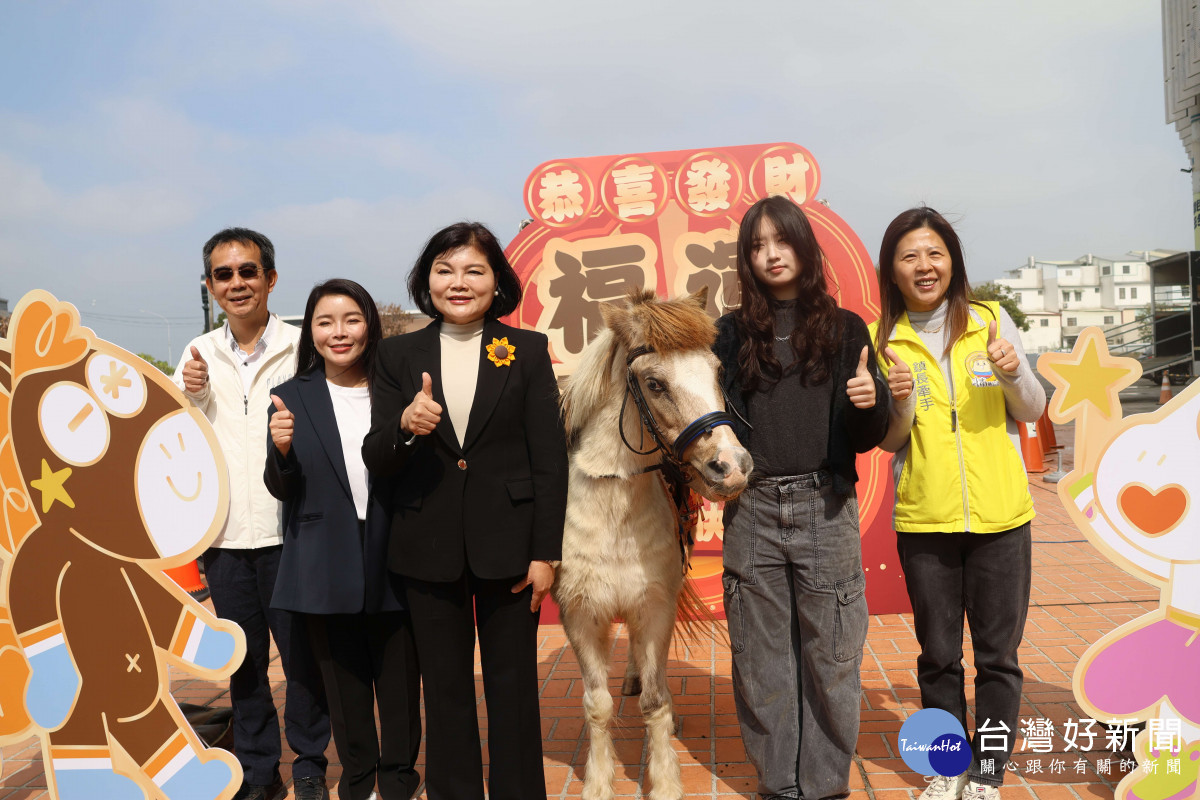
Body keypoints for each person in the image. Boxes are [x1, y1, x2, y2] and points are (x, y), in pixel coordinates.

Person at [362, 221, 568, 800]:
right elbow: (376, 452)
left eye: (474, 270)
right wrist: (405, 427)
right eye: (445, 270)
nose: (459, 283)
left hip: (510, 549)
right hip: (426, 550)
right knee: (445, 692)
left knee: (513, 689)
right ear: (425, 279)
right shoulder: (398, 354)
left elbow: (550, 460)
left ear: (495, 280)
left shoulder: (525, 349)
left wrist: (545, 554)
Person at [714, 196, 889, 800]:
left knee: (833, 657)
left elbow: (865, 436)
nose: (771, 254)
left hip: (826, 505)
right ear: (747, 259)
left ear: (804, 246)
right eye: (757, 246)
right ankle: (779, 787)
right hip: (753, 507)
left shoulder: (844, 330)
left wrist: (872, 401)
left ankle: (823, 786)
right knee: (762, 661)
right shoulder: (729, 334)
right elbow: (716, 429)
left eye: (781, 241)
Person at [870, 207, 1045, 800]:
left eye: (934, 253)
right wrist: (896, 405)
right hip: (925, 519)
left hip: (1002, 519)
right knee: (938, 656)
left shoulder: (992, 321)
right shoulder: (882, 340)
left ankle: (987, 776)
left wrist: (1016, 370)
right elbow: (891, 441)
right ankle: (945, 770)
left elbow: (1032, 409)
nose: (924, 266)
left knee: (998, 657)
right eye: (909, 256)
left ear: (953, 261)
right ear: (891, 270)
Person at [176, 228, 330, 800]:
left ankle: (310, 762)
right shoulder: (196, 357)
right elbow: (172, 440)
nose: (236, 283)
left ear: (270, 277)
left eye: (247, 271)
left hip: (294, 532)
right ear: (211, 285)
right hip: (225, 537)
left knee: (303, 658)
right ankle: (258, 770)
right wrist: (188, 394)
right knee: (242, 664)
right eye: (223, 274)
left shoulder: (303, 347)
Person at [264, 279, 422, 800]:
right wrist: (281, 452)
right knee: (344, 685)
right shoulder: (291, 395)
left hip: (392, 551)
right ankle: (357, 781)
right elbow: (283, 488)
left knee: (398, 681)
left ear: (369, 325)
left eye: (351, 319)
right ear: (310, 331)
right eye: (325, 322)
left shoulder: (394, 389)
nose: (339, 332)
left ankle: (398, 780)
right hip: (324, 558)